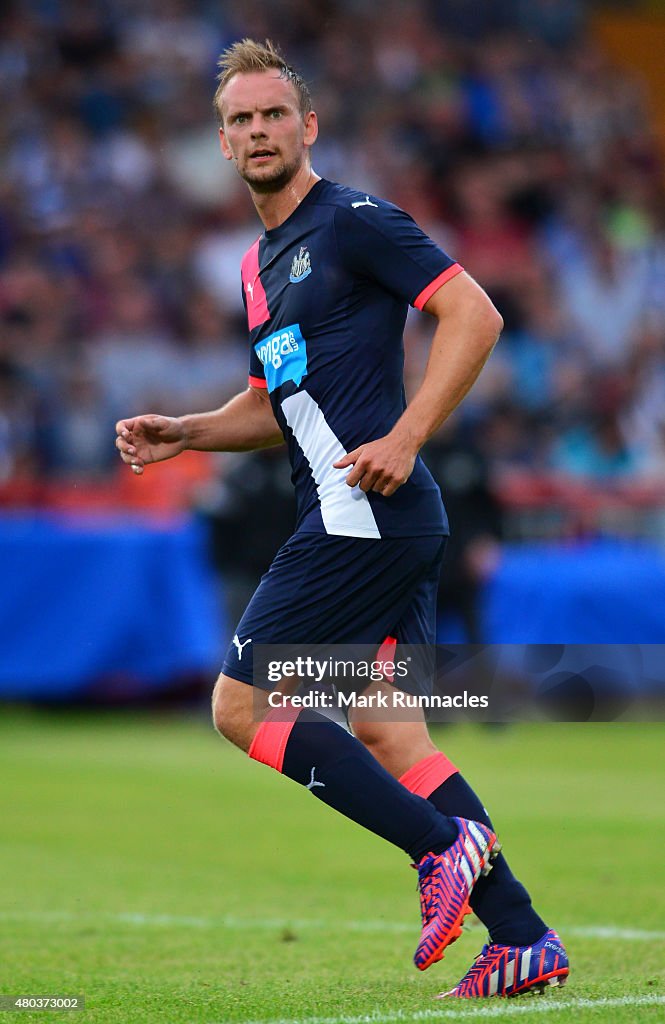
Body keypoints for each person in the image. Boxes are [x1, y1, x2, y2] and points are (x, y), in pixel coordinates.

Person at [115, 39, 568, 998]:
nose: (257, 132)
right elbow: (268, 403)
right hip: (376, 517)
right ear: (223, 143)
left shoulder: (356, 220)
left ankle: (439, 847)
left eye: (273, 114)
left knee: (241, 705)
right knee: (391, 733)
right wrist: (187, 431)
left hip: (364, 512)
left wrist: (407, 435)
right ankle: (520, 934)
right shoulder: (257, 266)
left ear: (307, 125)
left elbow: (474, 315)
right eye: (239, 120)